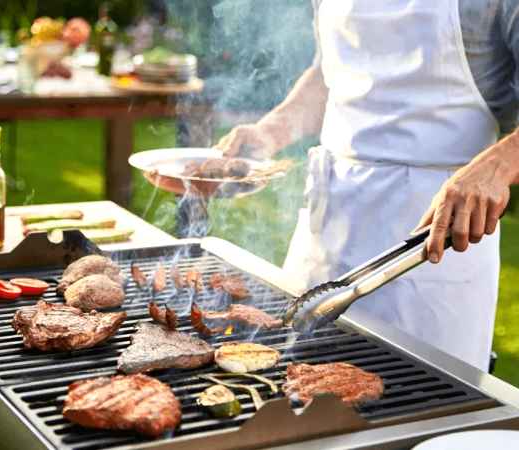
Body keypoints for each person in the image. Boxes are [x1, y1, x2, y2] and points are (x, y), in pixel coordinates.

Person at [216, 0, 519, 372]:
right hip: (329, 223)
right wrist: (271, 131)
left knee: (422, 392)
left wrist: (497, 165)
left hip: (434, 236)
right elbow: (330, 72)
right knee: (294, 377)